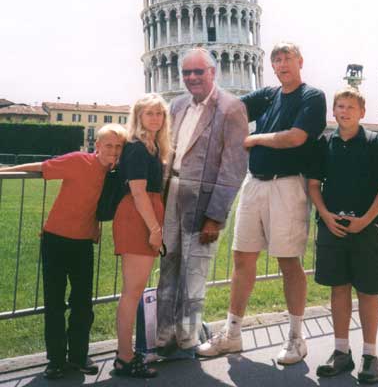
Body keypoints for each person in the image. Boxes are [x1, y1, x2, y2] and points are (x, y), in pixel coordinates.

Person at [198, 42, 326, 364]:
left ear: (300, 61)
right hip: (254, 183)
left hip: (287, 185)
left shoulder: (312, 97)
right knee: (242, 258)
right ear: (272, 66)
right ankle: (232, 334)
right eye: (277, 60)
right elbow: (231, 110)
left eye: (288, 59)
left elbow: (296, 137)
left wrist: (253, 139)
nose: (282, 64)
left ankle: (296, 337)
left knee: (288, 262)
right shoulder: (268, 95)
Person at [0, 124, 127, 379]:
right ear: (97, 146)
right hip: (55, 240)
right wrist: (5, 171)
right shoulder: (78, 161)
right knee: (55, 302)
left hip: (83, 245)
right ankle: (56, 360)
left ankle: (79, 356)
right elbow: (41, 167)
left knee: (82, 304)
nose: (112, 151)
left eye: (118, 147)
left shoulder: (114, 175)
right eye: (108, 145)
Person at [156, 48, 249, 359]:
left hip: (204, 201)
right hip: (172, 193)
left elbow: (233, 167)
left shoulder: (231, 108)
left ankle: (188, 335)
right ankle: (163, 333)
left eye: (198, 72)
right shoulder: (177, 104)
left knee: (194, 270)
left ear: (213, 72)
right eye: (187, 73)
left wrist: (216, 216)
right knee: (167, 266)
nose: (192, 78)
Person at [308, 86, 378, 384]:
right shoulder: (324, 143)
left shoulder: (375, 143)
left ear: (362, 112)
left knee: (368, 292)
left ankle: (370, 356)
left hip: (367, 229)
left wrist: (365, 220)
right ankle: (341, 352)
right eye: (340, 106)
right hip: (332, 228)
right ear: (333, 111)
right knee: (338, 289)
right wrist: (325, 215)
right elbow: (313, 185)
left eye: (350, 107)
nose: (344, 111)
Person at [112, 93, 170, 379]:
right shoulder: (137, 148)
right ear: (138, 117)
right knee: (132, 292)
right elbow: (137, 192)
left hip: (143, 215)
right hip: (138, 217)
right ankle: (124, 357)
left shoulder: (151, 146)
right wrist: (155, 230)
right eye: (150, 113)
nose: (156, 118)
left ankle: (127, 354)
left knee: (132, 291)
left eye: (160, 113)